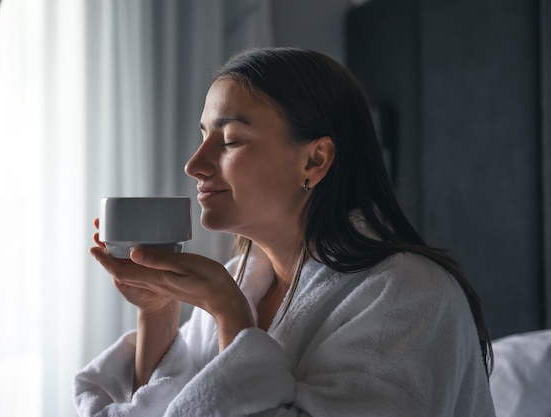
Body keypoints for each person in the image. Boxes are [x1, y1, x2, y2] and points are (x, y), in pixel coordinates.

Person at [74, 47, 496, 416]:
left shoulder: (407, 292)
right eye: (203, 136)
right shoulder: (241, 276)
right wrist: (159, 311)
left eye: (230, 140)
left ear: (314, 160)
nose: (194, 164)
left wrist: (231, 313)